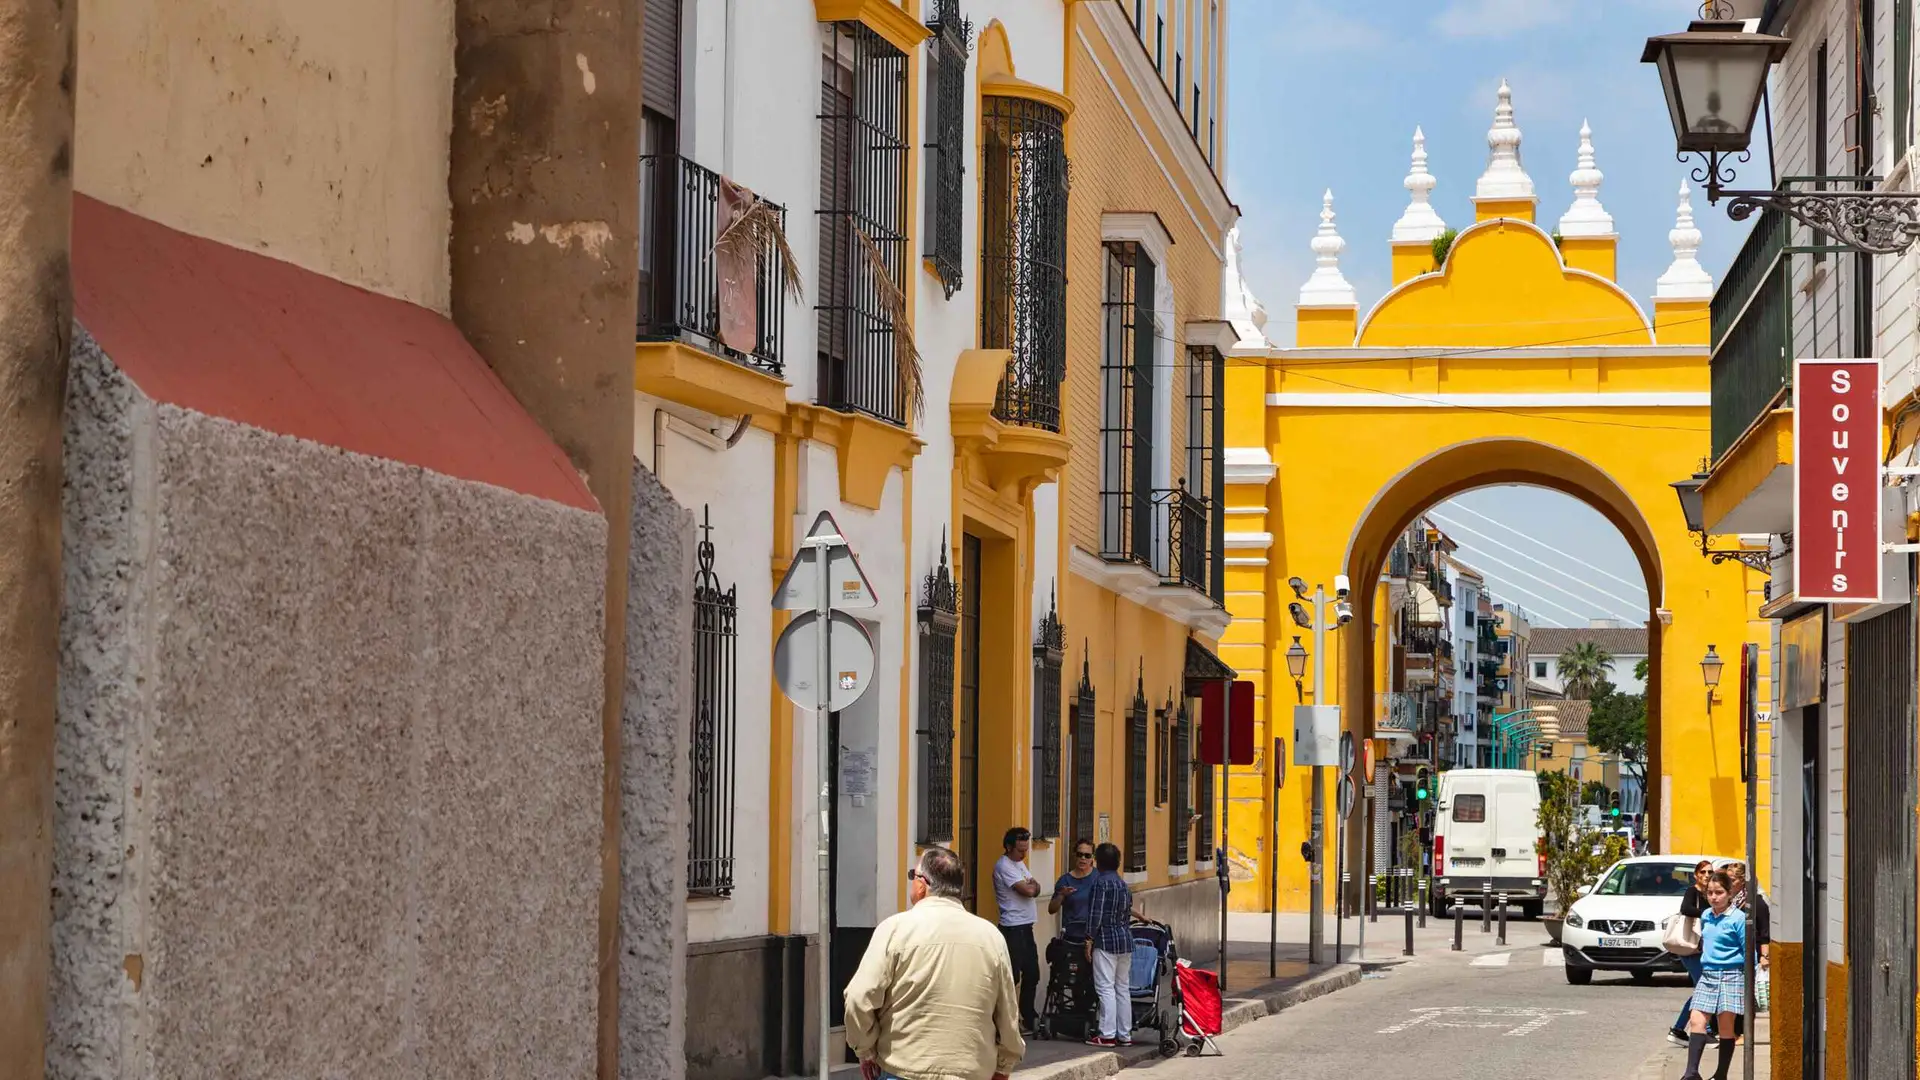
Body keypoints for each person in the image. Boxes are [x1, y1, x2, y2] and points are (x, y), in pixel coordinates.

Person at [844, 846, 1024, 1080]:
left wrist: (866, 1050)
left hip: (904, 1069)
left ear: (921, 884)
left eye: (912, 876)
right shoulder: (991, 937)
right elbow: (1007, 1011)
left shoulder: (894, 929)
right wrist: (1004, 1065)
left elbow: (859, 997)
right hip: (970, 1071)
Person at [1681, 870, 1763, 1080]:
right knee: (1697, 1020)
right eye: (1710, 893)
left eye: (1718, 892)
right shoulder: (1706, 916)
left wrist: (1749, 985)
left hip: (1732, 975)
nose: (1714, 897)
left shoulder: (1738, 919)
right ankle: (1691, 1073)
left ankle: (1721, 1074)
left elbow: (1749, 954)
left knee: (1726, 1027)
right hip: (1708, 975)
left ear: (1729, 894)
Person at [1085, 842, 1136, 1048]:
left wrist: (1089, 938)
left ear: (1098, 861)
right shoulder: (1123, 885)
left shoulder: (1100, 884)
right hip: (1125, 939)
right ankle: (1125, 1034)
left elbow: (1095, 914)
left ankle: (1107, 1034)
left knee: (1105, 988)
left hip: (1105, 939)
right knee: (1122, 988)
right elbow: (1127, 911)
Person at [992, 827, 1043, 1033]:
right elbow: (1029, 890)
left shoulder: (1019, 863)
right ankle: (1005, 1021)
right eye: (1020, 850)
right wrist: (1033, 886)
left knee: (1033, 973)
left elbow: (1035, 887)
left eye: (1026, 850)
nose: (1023, 854)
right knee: (1012, 977)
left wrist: (1034, 886)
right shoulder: (1004, 866)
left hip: (1025, 926)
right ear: (1008, 847)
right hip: (1012, 927)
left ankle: (1028, 1016)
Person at [1667, 860, 1713, 1046]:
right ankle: (1699, 1031)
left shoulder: (1710, 893)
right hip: (1690, 949)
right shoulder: (1692, 892)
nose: (1707, 875)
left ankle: (1680, 1030)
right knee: (1704, 988)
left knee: (1703, 989)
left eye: (1710, 871)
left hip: (1703, 949)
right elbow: (1686, 909)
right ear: (1696, 874)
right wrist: (1708, 912)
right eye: (1703, 871)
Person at [1049, 839, 1097, 942]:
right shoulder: (1065, 880)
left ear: (1092, 858)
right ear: (1075, 855)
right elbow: (1051, 909)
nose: (1083, 858)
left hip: (1094, 937)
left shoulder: (1099, 877)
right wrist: (1061, 895)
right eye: (1080, 854)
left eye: (1087, 855)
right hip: (1072, 937)